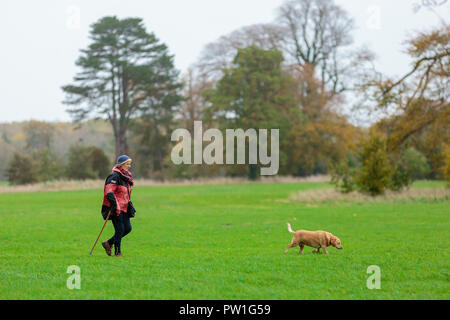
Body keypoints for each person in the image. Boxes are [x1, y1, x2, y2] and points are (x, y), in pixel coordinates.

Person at [101, 155, 136, 257]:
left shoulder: (126, 177)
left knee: (127, 228)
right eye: (127, 164)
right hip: (116, 207)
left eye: (129, 164)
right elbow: (109, 192)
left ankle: (108, 243)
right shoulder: (114, 176)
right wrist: (115, 206)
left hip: (125, 207)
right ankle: (118, 252)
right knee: (120, 229)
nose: (129, 166)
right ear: (121, 165)